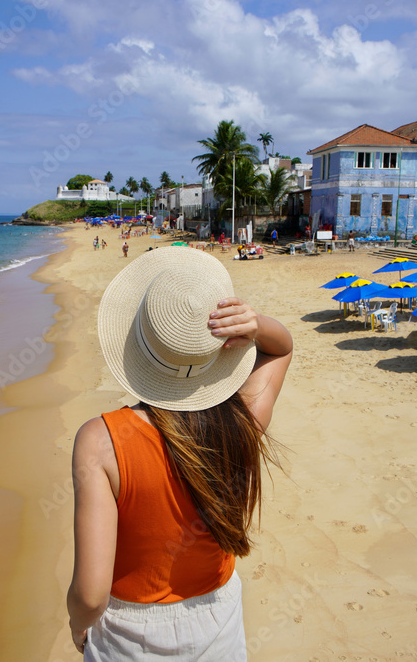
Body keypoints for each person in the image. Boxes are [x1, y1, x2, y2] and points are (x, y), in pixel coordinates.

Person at [67, 247, 292, 659]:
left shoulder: (101, 441)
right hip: (217, 618)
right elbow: (281, 350)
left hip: (129, 632)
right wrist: (257, 325)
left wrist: (77, 623)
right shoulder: (243, 421)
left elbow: (91, 593)